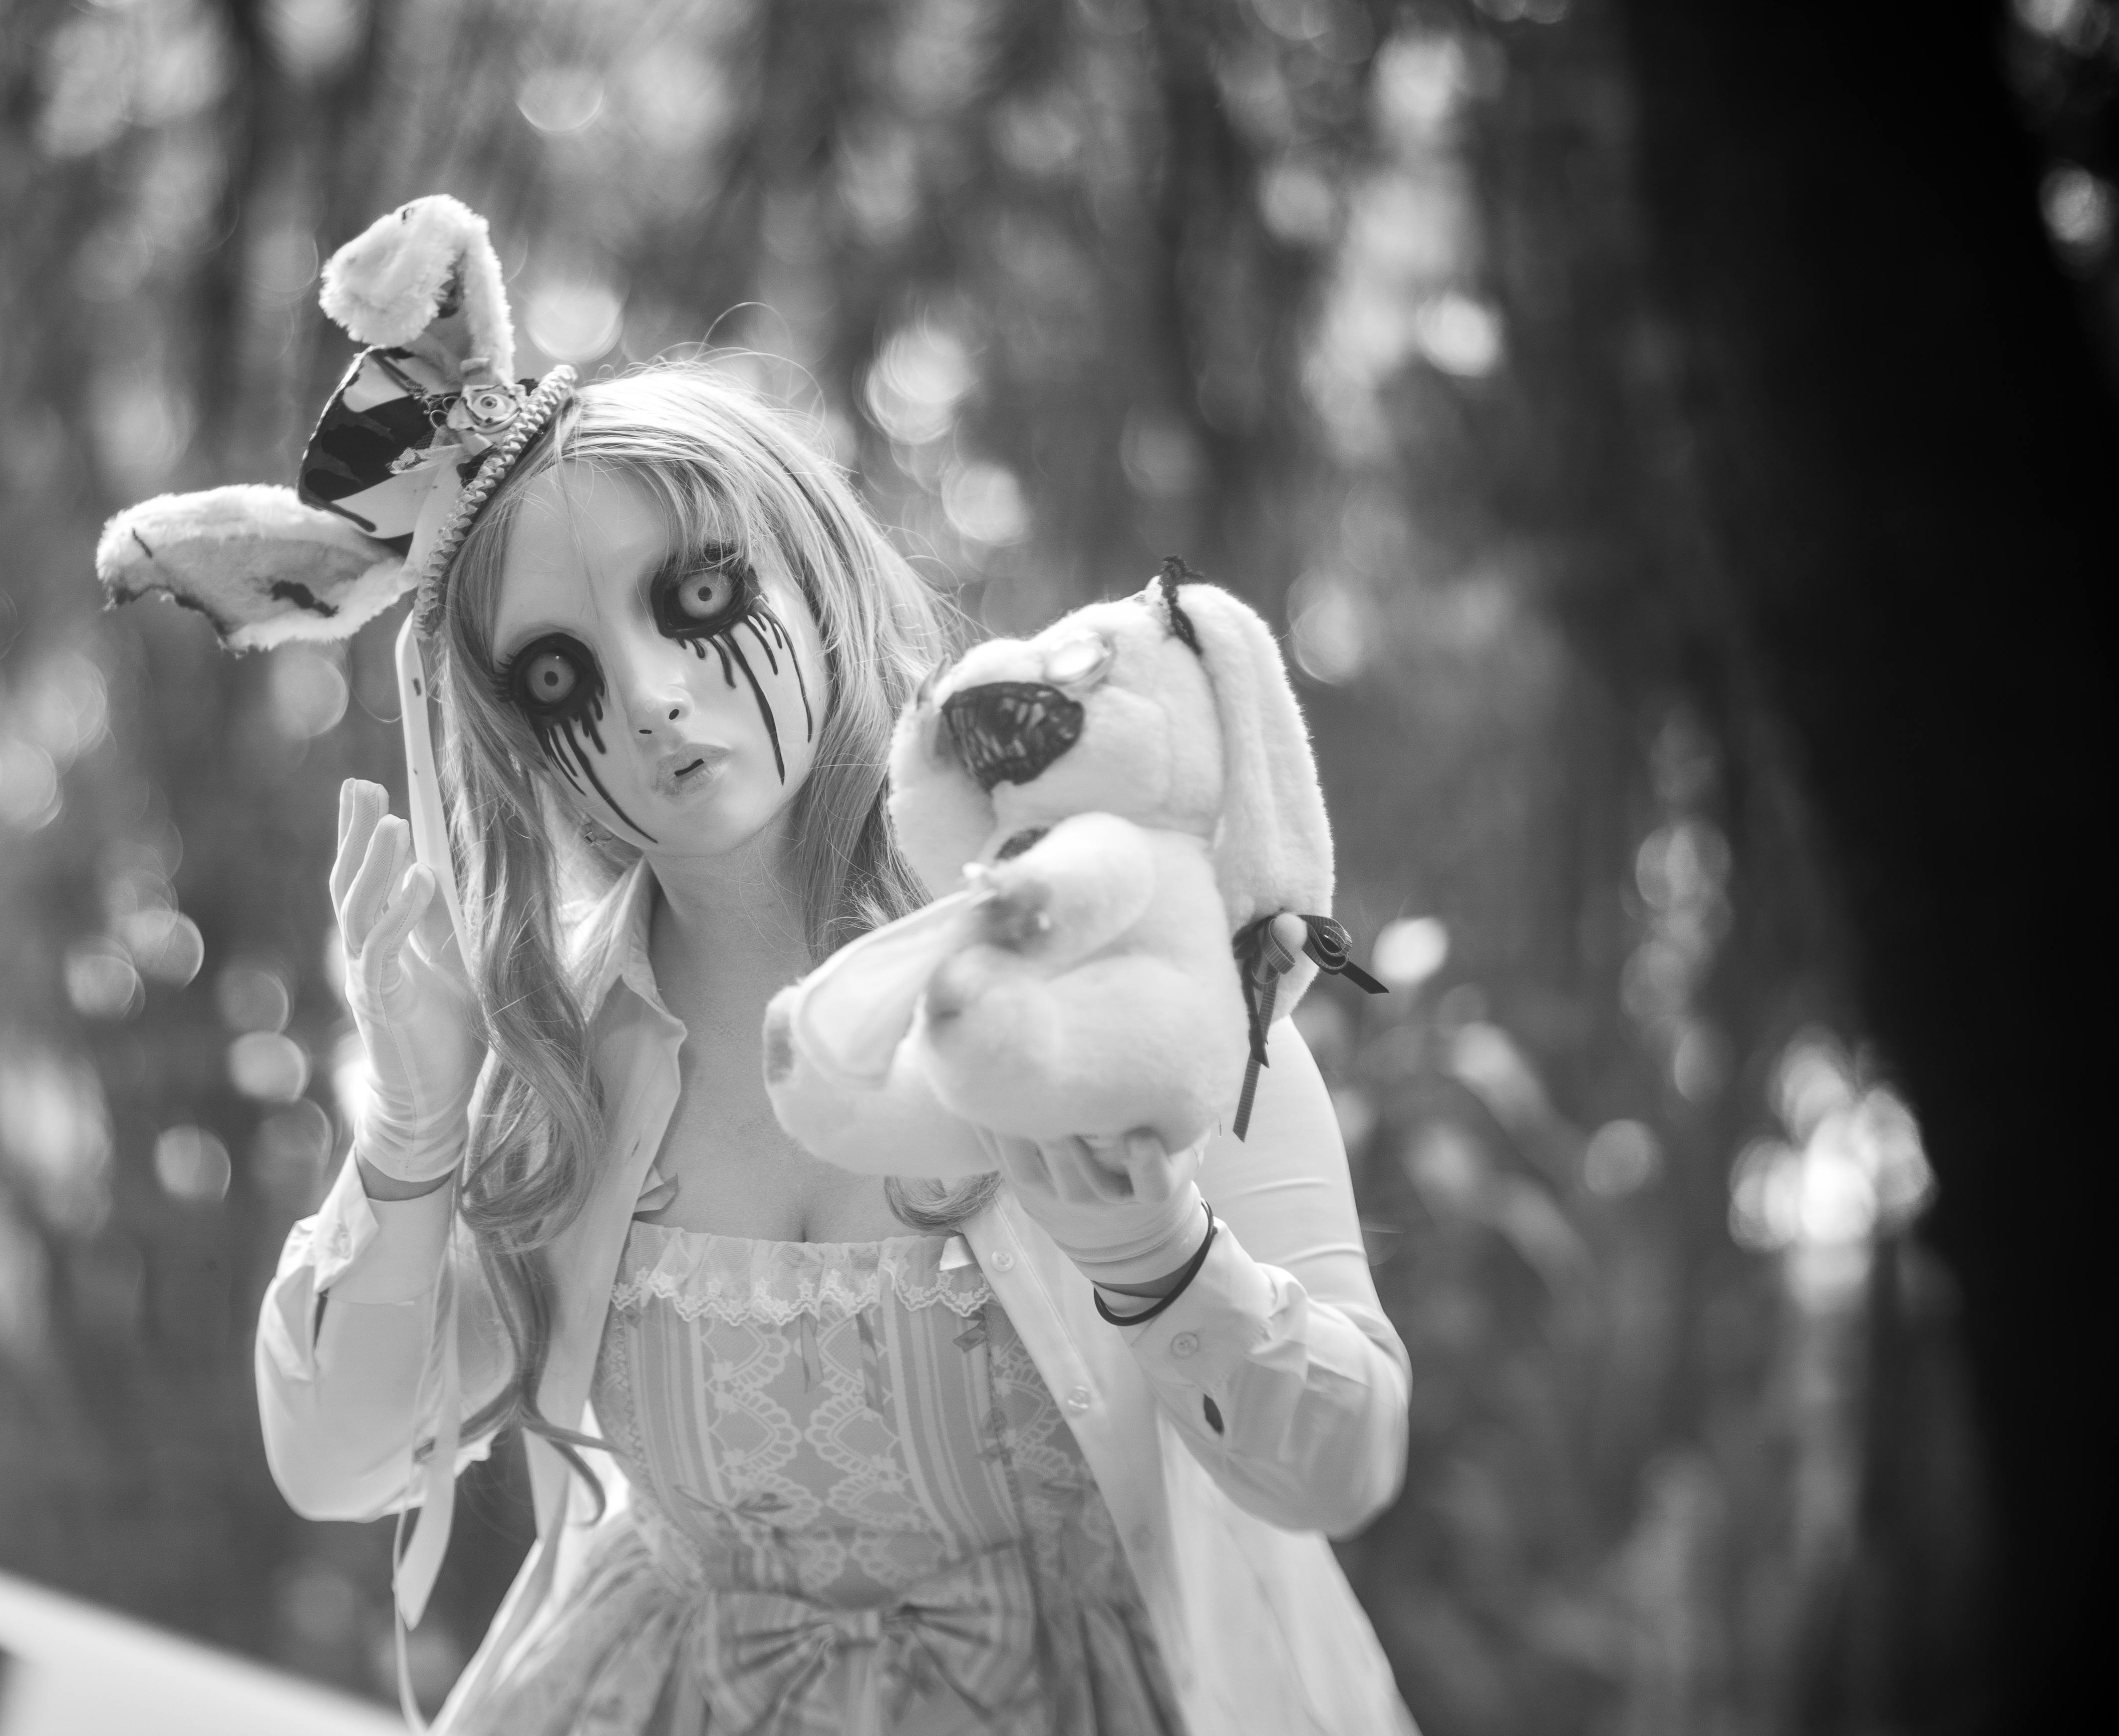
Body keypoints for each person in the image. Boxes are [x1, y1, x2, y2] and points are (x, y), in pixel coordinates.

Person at [251, 360, 1415, 1735]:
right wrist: (409, 1137)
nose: (648, 696)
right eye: (556, 671)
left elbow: (1343, 1462)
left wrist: (1162, 1259)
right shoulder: (556, 1054)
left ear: (819, 577)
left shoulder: (1117, 942)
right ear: (521, 744)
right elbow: (339, 1462)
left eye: (695, 596)